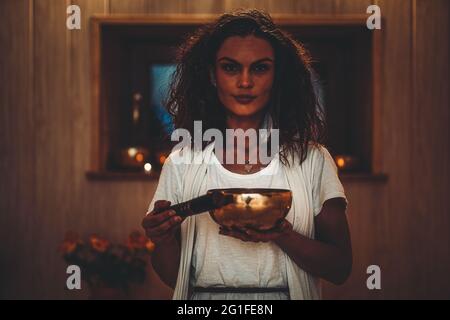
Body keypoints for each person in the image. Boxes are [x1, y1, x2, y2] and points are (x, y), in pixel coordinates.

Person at [142, 8, 352, 300]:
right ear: (212, 76)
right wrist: (162, 240)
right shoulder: (182, 162)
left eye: (260, 68)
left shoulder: (313, 161)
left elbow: (340, 268)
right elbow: (174, 278)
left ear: (277, 76)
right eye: (230, 67)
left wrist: (283, 235)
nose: (244, 81)